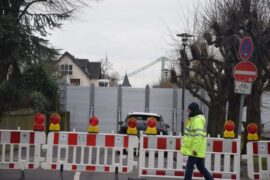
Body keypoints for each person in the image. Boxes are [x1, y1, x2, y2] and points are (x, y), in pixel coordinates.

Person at [181, 102, 213, 180]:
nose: (187, 111)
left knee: (189, 167)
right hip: (196, 148)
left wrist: (194, 149)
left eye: (188, 109)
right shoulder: (194, 119)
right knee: (200, 167)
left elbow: (198, 137)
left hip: (195, 148)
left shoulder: (197, 120)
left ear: (192, 109)